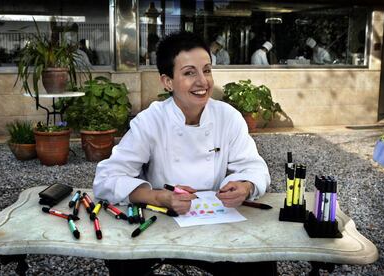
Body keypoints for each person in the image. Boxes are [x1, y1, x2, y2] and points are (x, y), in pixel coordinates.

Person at [93, 30, 272, 275]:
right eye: (189, 73)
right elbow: (106, 178)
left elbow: (255, 167)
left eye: (207, 70)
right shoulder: (150, 121)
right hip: (160, 221)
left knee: (260, 262)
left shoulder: (228, 117)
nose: (203, 81)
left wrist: (244, 185)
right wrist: (158, 197)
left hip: (218, 221)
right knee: (123, 260)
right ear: (167, 81)